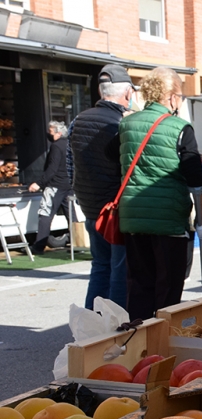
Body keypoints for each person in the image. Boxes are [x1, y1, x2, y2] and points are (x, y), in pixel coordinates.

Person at [118, 67, 202, 321]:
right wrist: (201, 217)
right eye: (179, 96)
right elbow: (196, 179)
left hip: (134, 218)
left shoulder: (126, 124)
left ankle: (137, 342)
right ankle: (163, 343)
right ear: (171, 97)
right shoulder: (180, 128)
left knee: (138, 285)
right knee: (168, 288)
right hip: (169, 219)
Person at [68, 64, 136, 309]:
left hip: (90, 206)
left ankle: (91, 323)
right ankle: (114, 326)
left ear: (100, 91)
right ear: (127, 93)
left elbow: (70, 163)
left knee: (99, 267)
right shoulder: (122, 123)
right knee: (119, 269)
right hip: (114, 210)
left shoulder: (78, 120)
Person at [29, 121, 72, 254]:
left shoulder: (56, 147)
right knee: (71, 215)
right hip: (68, 185)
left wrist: (39, 183)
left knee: (45, 214)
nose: (48, 134)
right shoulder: (69, 145)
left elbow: (52, 169)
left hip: (55, 185)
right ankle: (77, 242)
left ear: (58, 133)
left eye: (50, 132)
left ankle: (39, 246)